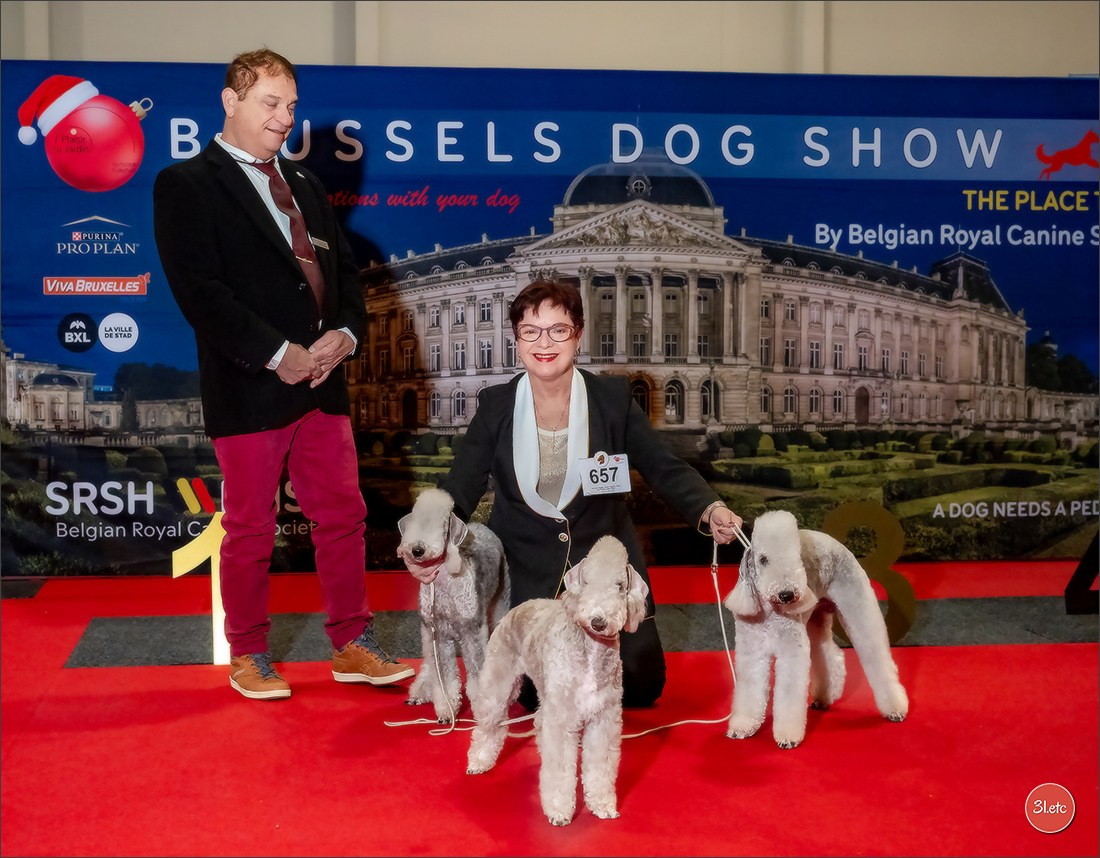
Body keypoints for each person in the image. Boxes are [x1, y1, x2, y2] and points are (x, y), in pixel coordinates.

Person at [152, 48, 413, 700]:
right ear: (230, 101)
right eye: (271, 102)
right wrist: (279, 353)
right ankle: (248, 653)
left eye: (292, 105)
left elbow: (349, 279)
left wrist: (345, 335)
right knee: (248, 527)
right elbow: (201, 294)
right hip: (250, 384)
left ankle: (353, 644)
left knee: (344, 518)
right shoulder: (186, 184)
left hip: (324, 383)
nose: (284, 117)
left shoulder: (307, 185)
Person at [438, 278, 744, 708]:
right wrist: (431, 535)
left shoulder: (612, 398)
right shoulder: (496, 405)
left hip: (603, 574)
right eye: (531, 331)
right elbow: (461, 484)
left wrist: (709, 508)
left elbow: (662, 466)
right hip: (528, 575)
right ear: (517, 339)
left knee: (639, 687)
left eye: (558, 330)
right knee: (535, 694)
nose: (544, 342)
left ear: (577, 335)